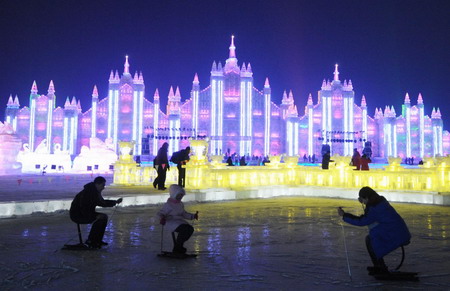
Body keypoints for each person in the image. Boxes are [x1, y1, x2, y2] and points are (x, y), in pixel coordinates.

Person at [337, 187, 411, 273]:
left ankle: (380, 267)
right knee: (370, 239)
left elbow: (362, 221)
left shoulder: (375, 208)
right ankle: (379, 266)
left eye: (363, 199)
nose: (363, 202)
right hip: (398, 232)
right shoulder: (378, 203)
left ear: (367, 198)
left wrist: (344, 215)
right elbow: (367, 216)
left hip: (396, 234)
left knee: (371, 240)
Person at [69, 176, 122, 249]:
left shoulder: (94, 191)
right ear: (97, 184)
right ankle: (91, 241)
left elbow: (101, 202)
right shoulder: (89, 192)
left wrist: (115, 202)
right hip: (78, 215)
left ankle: (97, 240)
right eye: (103, 185)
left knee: (103, 217)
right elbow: (83, 207)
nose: (103, 187)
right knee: (100, 218)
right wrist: (93, 216)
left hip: (85, 213)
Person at [158, 184, 198, 254]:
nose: (180, 197)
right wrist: (162, 218)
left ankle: (179, 246)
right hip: (170, 222)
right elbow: (161, 213)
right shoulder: (168, 205)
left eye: (181, 195)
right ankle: (177, 248)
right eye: (179, 195)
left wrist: (192, 216)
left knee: (190, 229)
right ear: (174, 194)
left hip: (179, 221)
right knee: (184, 229)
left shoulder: (180, 204)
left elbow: (183, 213)